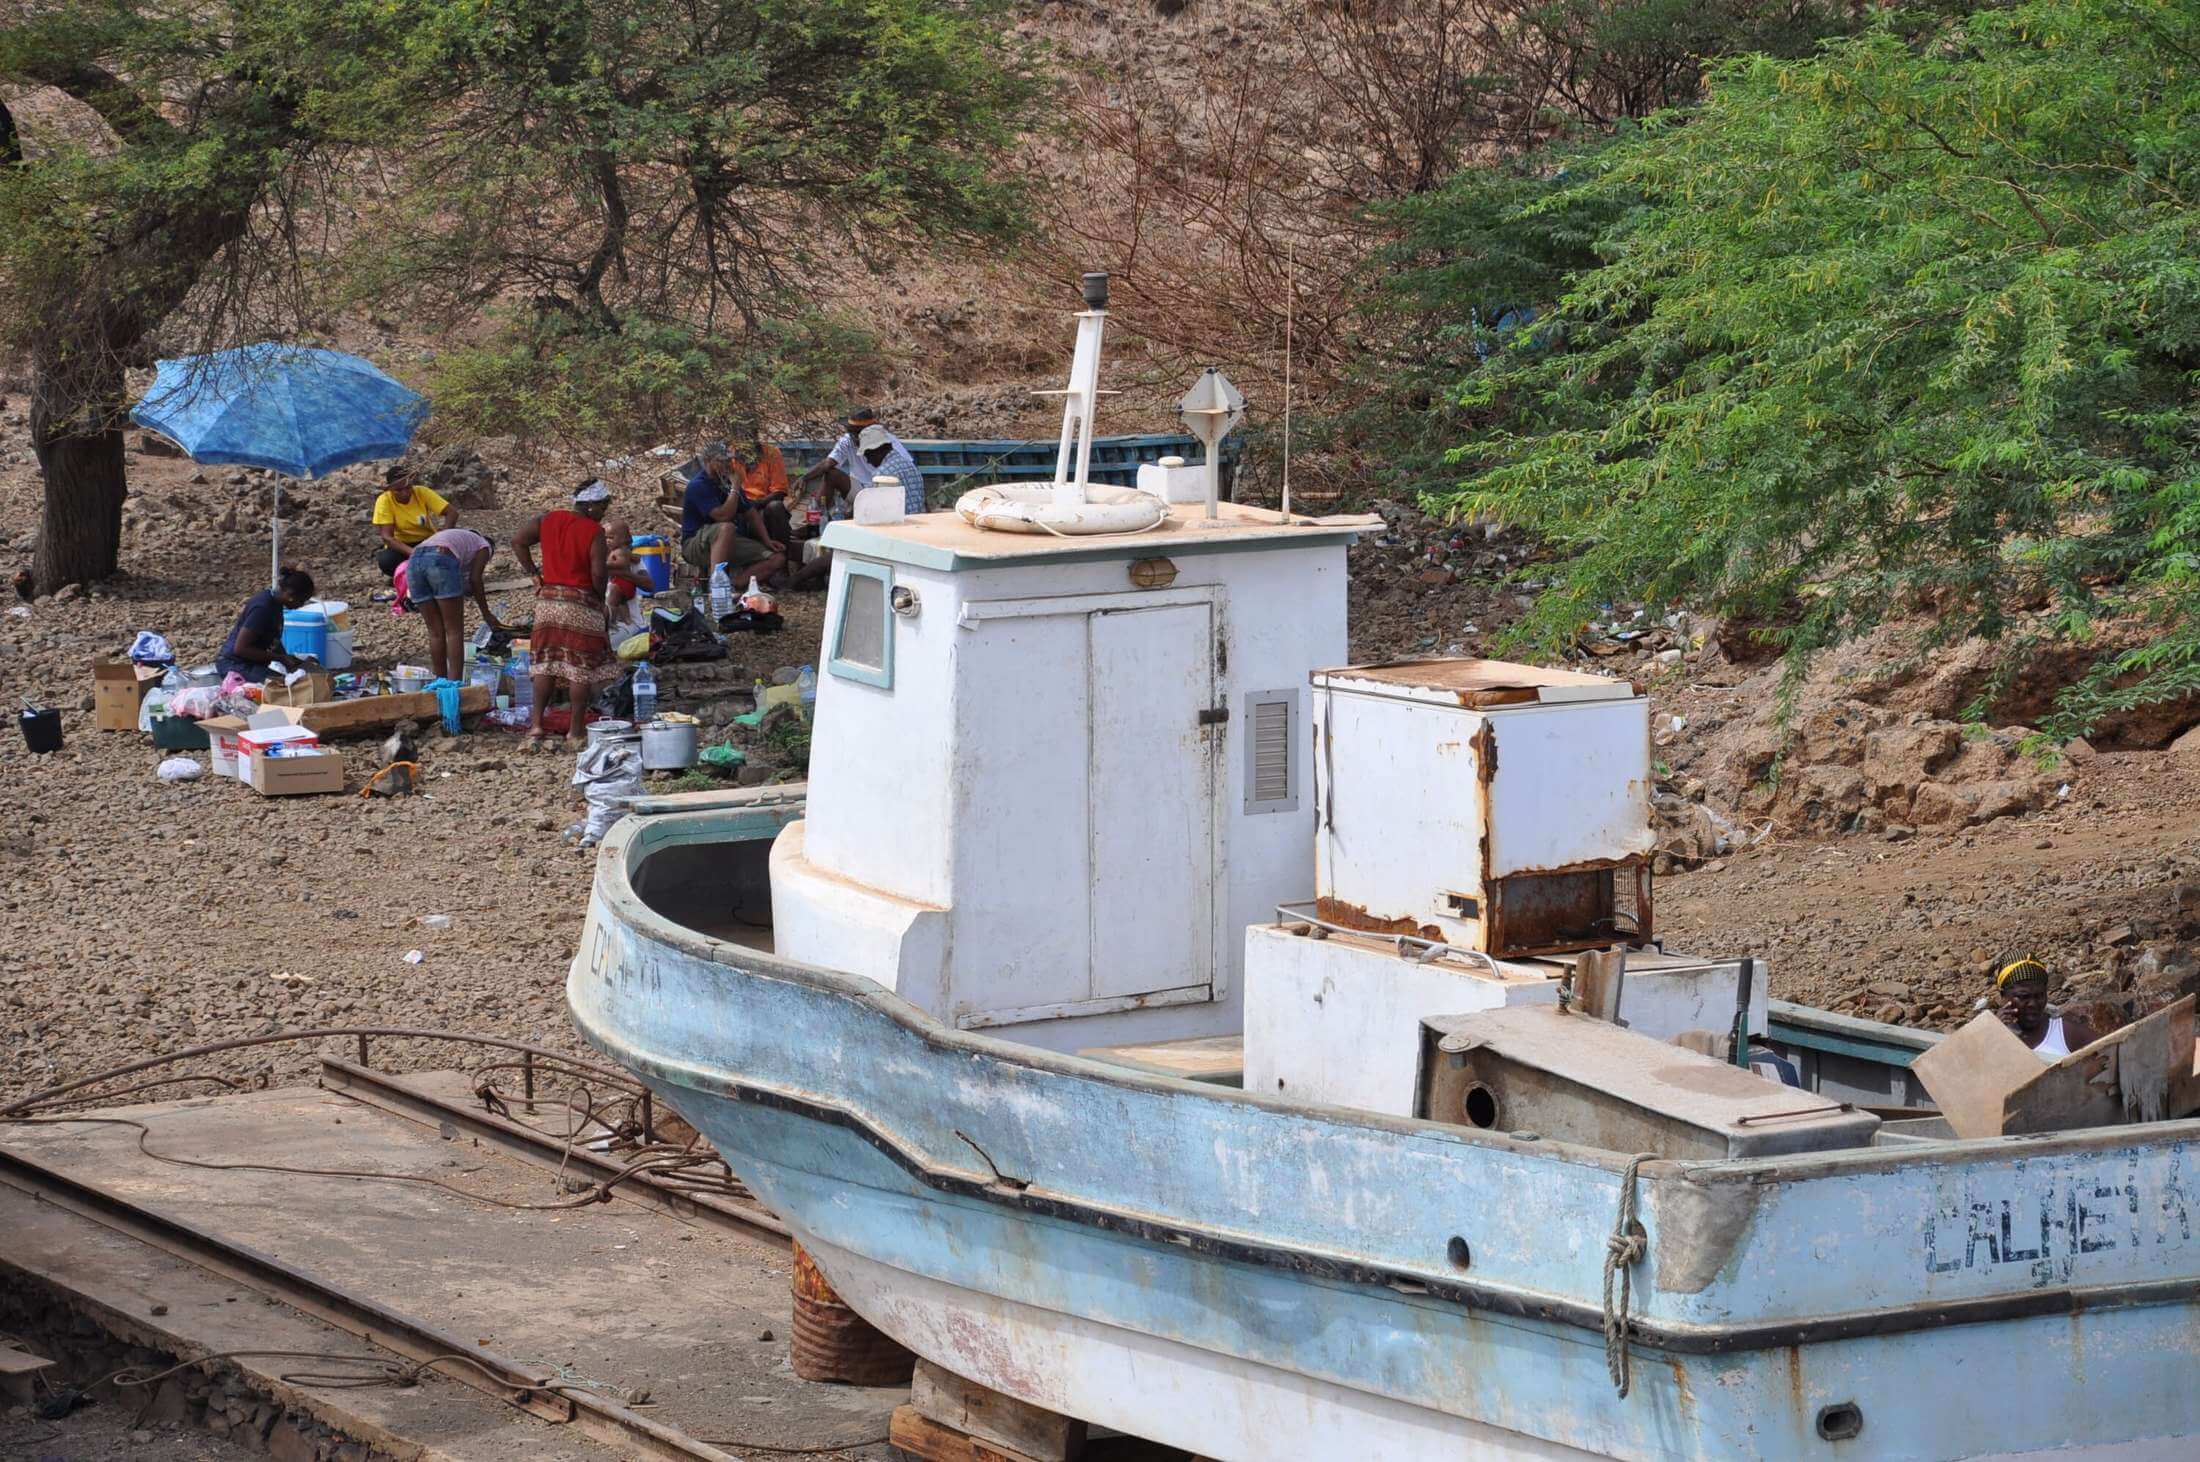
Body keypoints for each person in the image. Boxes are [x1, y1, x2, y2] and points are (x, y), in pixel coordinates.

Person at [513, 480, 617, 746]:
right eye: (602, 506)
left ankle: (536, 726)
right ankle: (575, 730)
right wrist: (599, 599)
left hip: (547, 602)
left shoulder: (547, 519)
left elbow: (518, 541)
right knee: (579, 668)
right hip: (580, 602)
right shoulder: (593, 531)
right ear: (590, 505)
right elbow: (598, 573)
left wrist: (534, 574)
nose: (604, 512)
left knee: (545, 664)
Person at [406, 526, 511, 681]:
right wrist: (486, 614)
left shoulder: (458, 540)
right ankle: (455, 684)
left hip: (413, 561)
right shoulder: (484, 545)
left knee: (435, 632)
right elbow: (475, 580)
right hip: (439, 558)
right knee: (454, 631)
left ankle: (440, 682)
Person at [681, 440, 786, 588]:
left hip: (727, 540)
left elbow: (751, 513)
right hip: (696, 544)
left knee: (777, 559)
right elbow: (723, 516)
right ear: (709, 461)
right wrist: (735, 487)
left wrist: (767, 540)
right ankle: (717, 585)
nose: (727, 465)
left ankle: (733, 585)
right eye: (722, 461)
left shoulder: (726, 482)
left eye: (729, 461)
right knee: (726, 527)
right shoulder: (698, 485)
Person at [216, 567, 316, 683]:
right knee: (284, 686)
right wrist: (280, 658)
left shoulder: (276, 603)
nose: (301, 605)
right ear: (290, 595)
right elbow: (241, 649)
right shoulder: (263, 608)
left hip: (250, 663)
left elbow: (273, 641)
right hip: (234, 664)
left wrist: (289, 660)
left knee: (294, 681)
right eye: (301, 600)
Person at [798, 407, 909, 506]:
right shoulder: (848, 440)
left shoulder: (887, 441)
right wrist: (804, 478)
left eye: (857, 432)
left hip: (883, 491)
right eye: (850, 431)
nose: (853, 436)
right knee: (831, 474)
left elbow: (905, 469)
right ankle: (819, 514)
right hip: (859, 488)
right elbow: (827, 463)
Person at [1994, 958, 2099, 1060]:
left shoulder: (2065, 1033)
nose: (2033, 1004)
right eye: (2024, 996)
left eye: (2039, 996)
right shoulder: (1993, 1038)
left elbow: (2106, 1052)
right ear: (2003, 997)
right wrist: (1992, 1030)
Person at [371, 464, 454, 580]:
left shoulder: (421, 492)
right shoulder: (384, 501)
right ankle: (409, 574)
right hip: (401, 546)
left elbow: (452, 512)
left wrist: (443, 539)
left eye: (408, 487)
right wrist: (413, 552)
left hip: (427, 541)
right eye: (398, 490)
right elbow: (387, 537)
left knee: (453, 551)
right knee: (386, 561)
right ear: (390, 489)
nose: (405, 492)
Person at [856, 423, 927, 516]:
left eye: (867, 456)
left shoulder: (881, 475)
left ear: (876, 451)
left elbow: (877, 512)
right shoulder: (911, 466)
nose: (868, 461)